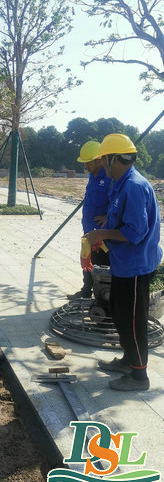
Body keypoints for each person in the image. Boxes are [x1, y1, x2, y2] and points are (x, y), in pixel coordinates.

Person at [83, 134, 162, 391]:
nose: (104, 165)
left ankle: (139, 377)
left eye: (105, 159)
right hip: (123, 263)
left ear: (115, 158)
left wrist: (102, 234)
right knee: (118, 312)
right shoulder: (121, 182)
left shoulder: (134, 186)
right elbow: (122, 217)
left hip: (136, 265)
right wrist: (108, 222)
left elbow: (136, 232)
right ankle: (129, 360)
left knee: (133, 320)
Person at [70, 141, 111, 299]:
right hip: (88, 229)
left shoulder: (109, 177)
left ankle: (101, 298)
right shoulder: (92, 176)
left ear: (99, 160)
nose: (85, 165)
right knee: (87, 261)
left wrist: (108, 216)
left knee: (101, 265)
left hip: (101, 234)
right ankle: (86, 291)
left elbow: (117, 201)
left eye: (88, 162)